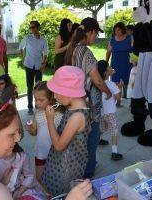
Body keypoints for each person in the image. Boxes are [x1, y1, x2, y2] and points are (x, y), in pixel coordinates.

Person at [65, 17, 112, 179]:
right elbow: (97, 80)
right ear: (90, 32)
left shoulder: (72, 49)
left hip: (73, 103)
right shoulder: (86, 52)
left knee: (79, 141)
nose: (96, 37)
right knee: (91, 141)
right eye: (96, 34)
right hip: (87, 105)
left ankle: (80, 170)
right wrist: (108, 92)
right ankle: (88, 175)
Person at [42, 66, 91, 196]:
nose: (54, 96)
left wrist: (50, 119)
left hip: (65, 168)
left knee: (61, 194)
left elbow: (58, 146)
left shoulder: (77, 117)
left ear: (67, 93)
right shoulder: (74, 109)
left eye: (56, 92)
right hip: (62, 162)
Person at [26, 81, 63, 183]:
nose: (37, 103)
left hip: (55, 155)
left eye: (41, 100)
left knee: (55, 178)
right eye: (35, 99)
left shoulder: (59, 115)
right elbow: (34, 132)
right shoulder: (37, 114)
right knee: (39, 178)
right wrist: (30, 128)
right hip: (40, 153)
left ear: (51, 98)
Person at [19, 21, 49, 115]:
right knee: (29, 87)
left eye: (34, 27)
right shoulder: (27, 38)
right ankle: (30, 107)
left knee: (39, 87)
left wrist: (44, 63)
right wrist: (23, 59)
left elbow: (46, 53)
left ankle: (38, 105)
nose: (32, 29)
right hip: (29, 65)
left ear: (38, 27)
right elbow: (21, 48)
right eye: (31, 27)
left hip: (38, 66)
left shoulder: (43, 40)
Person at [97, 61, 124, 161]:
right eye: (109, 67)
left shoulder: (97, 83)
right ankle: (114, 152)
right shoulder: (111, 84)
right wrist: (120, 88)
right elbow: (119, 98)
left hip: (101, 112)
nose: (111, 67)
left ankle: (98, 140)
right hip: (110, 113)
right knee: (114, 131)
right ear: (105, 72)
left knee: (102, 128)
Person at [106, 22, 133, 101]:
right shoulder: (112, 40)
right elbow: (108, 52)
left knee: (128, 82)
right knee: (116, 82)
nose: (116, 32)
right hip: (115, 63)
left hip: (127, 63)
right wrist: (106, 62)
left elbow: (134, 50)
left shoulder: (130, 38)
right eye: (115, 30)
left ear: (123, 30)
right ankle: (118, 100)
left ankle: (129, 99)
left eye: (118, 30)